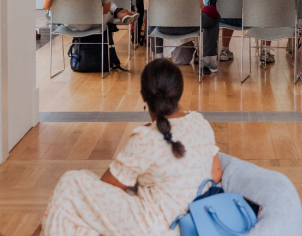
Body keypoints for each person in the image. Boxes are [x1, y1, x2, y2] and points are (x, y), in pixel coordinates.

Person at [34, 59, 222, 236]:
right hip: (194, 219)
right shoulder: (200, 122)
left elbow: (109, 184)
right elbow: (216, 173)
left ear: (143, 95)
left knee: (71, 183)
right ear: (179, 92)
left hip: (157, 226)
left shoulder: (148, 138)